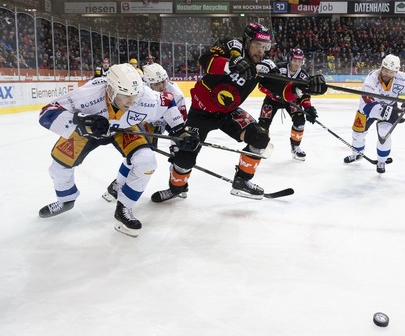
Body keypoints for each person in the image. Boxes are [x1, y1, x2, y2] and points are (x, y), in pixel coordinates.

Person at [150, 22, 327, 202]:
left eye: (264, 46)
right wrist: (232, 64)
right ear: (247, 42)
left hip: (229, 113)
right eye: (257, 45)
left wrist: (303, 88)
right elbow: (205, 61)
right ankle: (176, 188)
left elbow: (282, 90)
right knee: (185, 158)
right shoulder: (231, 47)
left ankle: (242, 181)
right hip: (201, 113)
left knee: (260, 137)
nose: (261, 51)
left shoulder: (264, 65)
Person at [38, 63, 199, 237]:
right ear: (111, 90)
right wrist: (82, 121)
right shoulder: (88, 95)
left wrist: (180, 132)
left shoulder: (144, 97)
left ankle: (124, 208)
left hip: (123, 130)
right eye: (126, 97)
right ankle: (66, 199)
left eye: (134, 96)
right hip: (88, 132)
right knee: (58, 167)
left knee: (146, 160)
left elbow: (167, 101)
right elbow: (46, 113)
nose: (132, 102)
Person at [102, 62, 189, 202]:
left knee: (179, 154)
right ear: (147, 84)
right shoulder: (139, 91)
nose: (162, 86)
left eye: (163, 81)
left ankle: (178, 188)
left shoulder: (175, 94)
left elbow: (180, 122)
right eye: (156, 84)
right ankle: (118, 184)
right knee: (137, 152)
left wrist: (176, 145)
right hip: (149, 121)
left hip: (168, 120)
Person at [343, 54, 405, 173]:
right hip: (367, 109)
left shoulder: (402, 78)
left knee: (385, 134)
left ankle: (381, 161)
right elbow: (367, 102)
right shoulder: (371, 79)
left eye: (391, 72)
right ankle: (357, 154)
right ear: (381, 67)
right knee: (358, 134)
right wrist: (387, 112)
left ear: (396, 71)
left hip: (390, 105)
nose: (387, 74)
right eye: (385, 70)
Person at [257, 48, 318, 161]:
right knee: (263, 124)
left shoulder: (303, 76)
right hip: (272, 100)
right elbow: (262, 85)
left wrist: (308, 108)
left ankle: (295, 147)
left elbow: (304, 95)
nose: (297, 64)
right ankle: (261, 145)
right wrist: (274, 93)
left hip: (291, 101)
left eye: (300, 61)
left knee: (300, 121)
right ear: (290, 59)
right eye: (295, 60)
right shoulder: (278, 69)